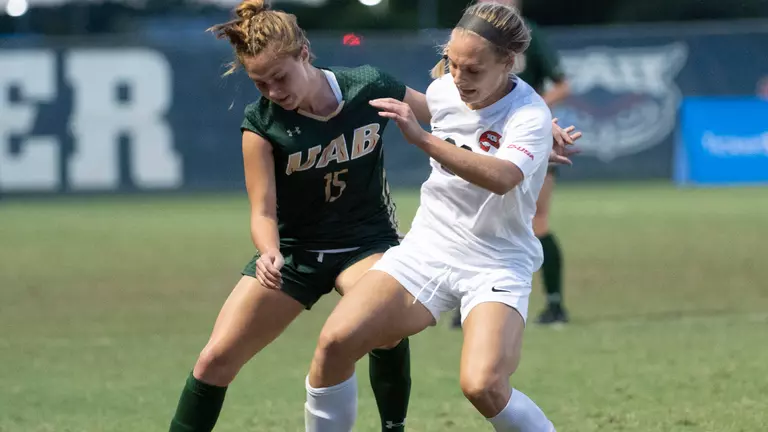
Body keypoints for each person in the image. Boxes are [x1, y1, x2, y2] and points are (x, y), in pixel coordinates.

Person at [304, 3, 569, 431]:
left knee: (483, 386)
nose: (459, 78)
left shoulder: (530, 114)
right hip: (428, 248)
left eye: (473, 70)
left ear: (507, 62)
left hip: (496, 261)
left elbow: (502, 177)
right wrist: (310, 76)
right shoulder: (447, 90)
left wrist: (423, 141)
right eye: (453, 64)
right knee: (334, 343)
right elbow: (412, 101)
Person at [167, 1, 429, 430]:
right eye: (260, 83)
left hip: (366, 243)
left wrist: (523, 127)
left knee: (387, 328)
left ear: (304, 52)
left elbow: (449, 117)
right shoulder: (261, 124)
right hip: (294, 254)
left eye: (279, 77)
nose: (273, 91)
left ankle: (392, 428)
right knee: (214, 360)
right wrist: (268, 251)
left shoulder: (369, 86)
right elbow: (263, 211)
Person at [453, 0, 572, 328]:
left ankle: (555, 304)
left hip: (525, 140)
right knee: (469, 219)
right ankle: (464, 301)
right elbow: (448, 87)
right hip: (482, 140)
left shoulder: (530, 35)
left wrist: (527, 109)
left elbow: (563, 84)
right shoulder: (469, 37)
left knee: (538, 222)